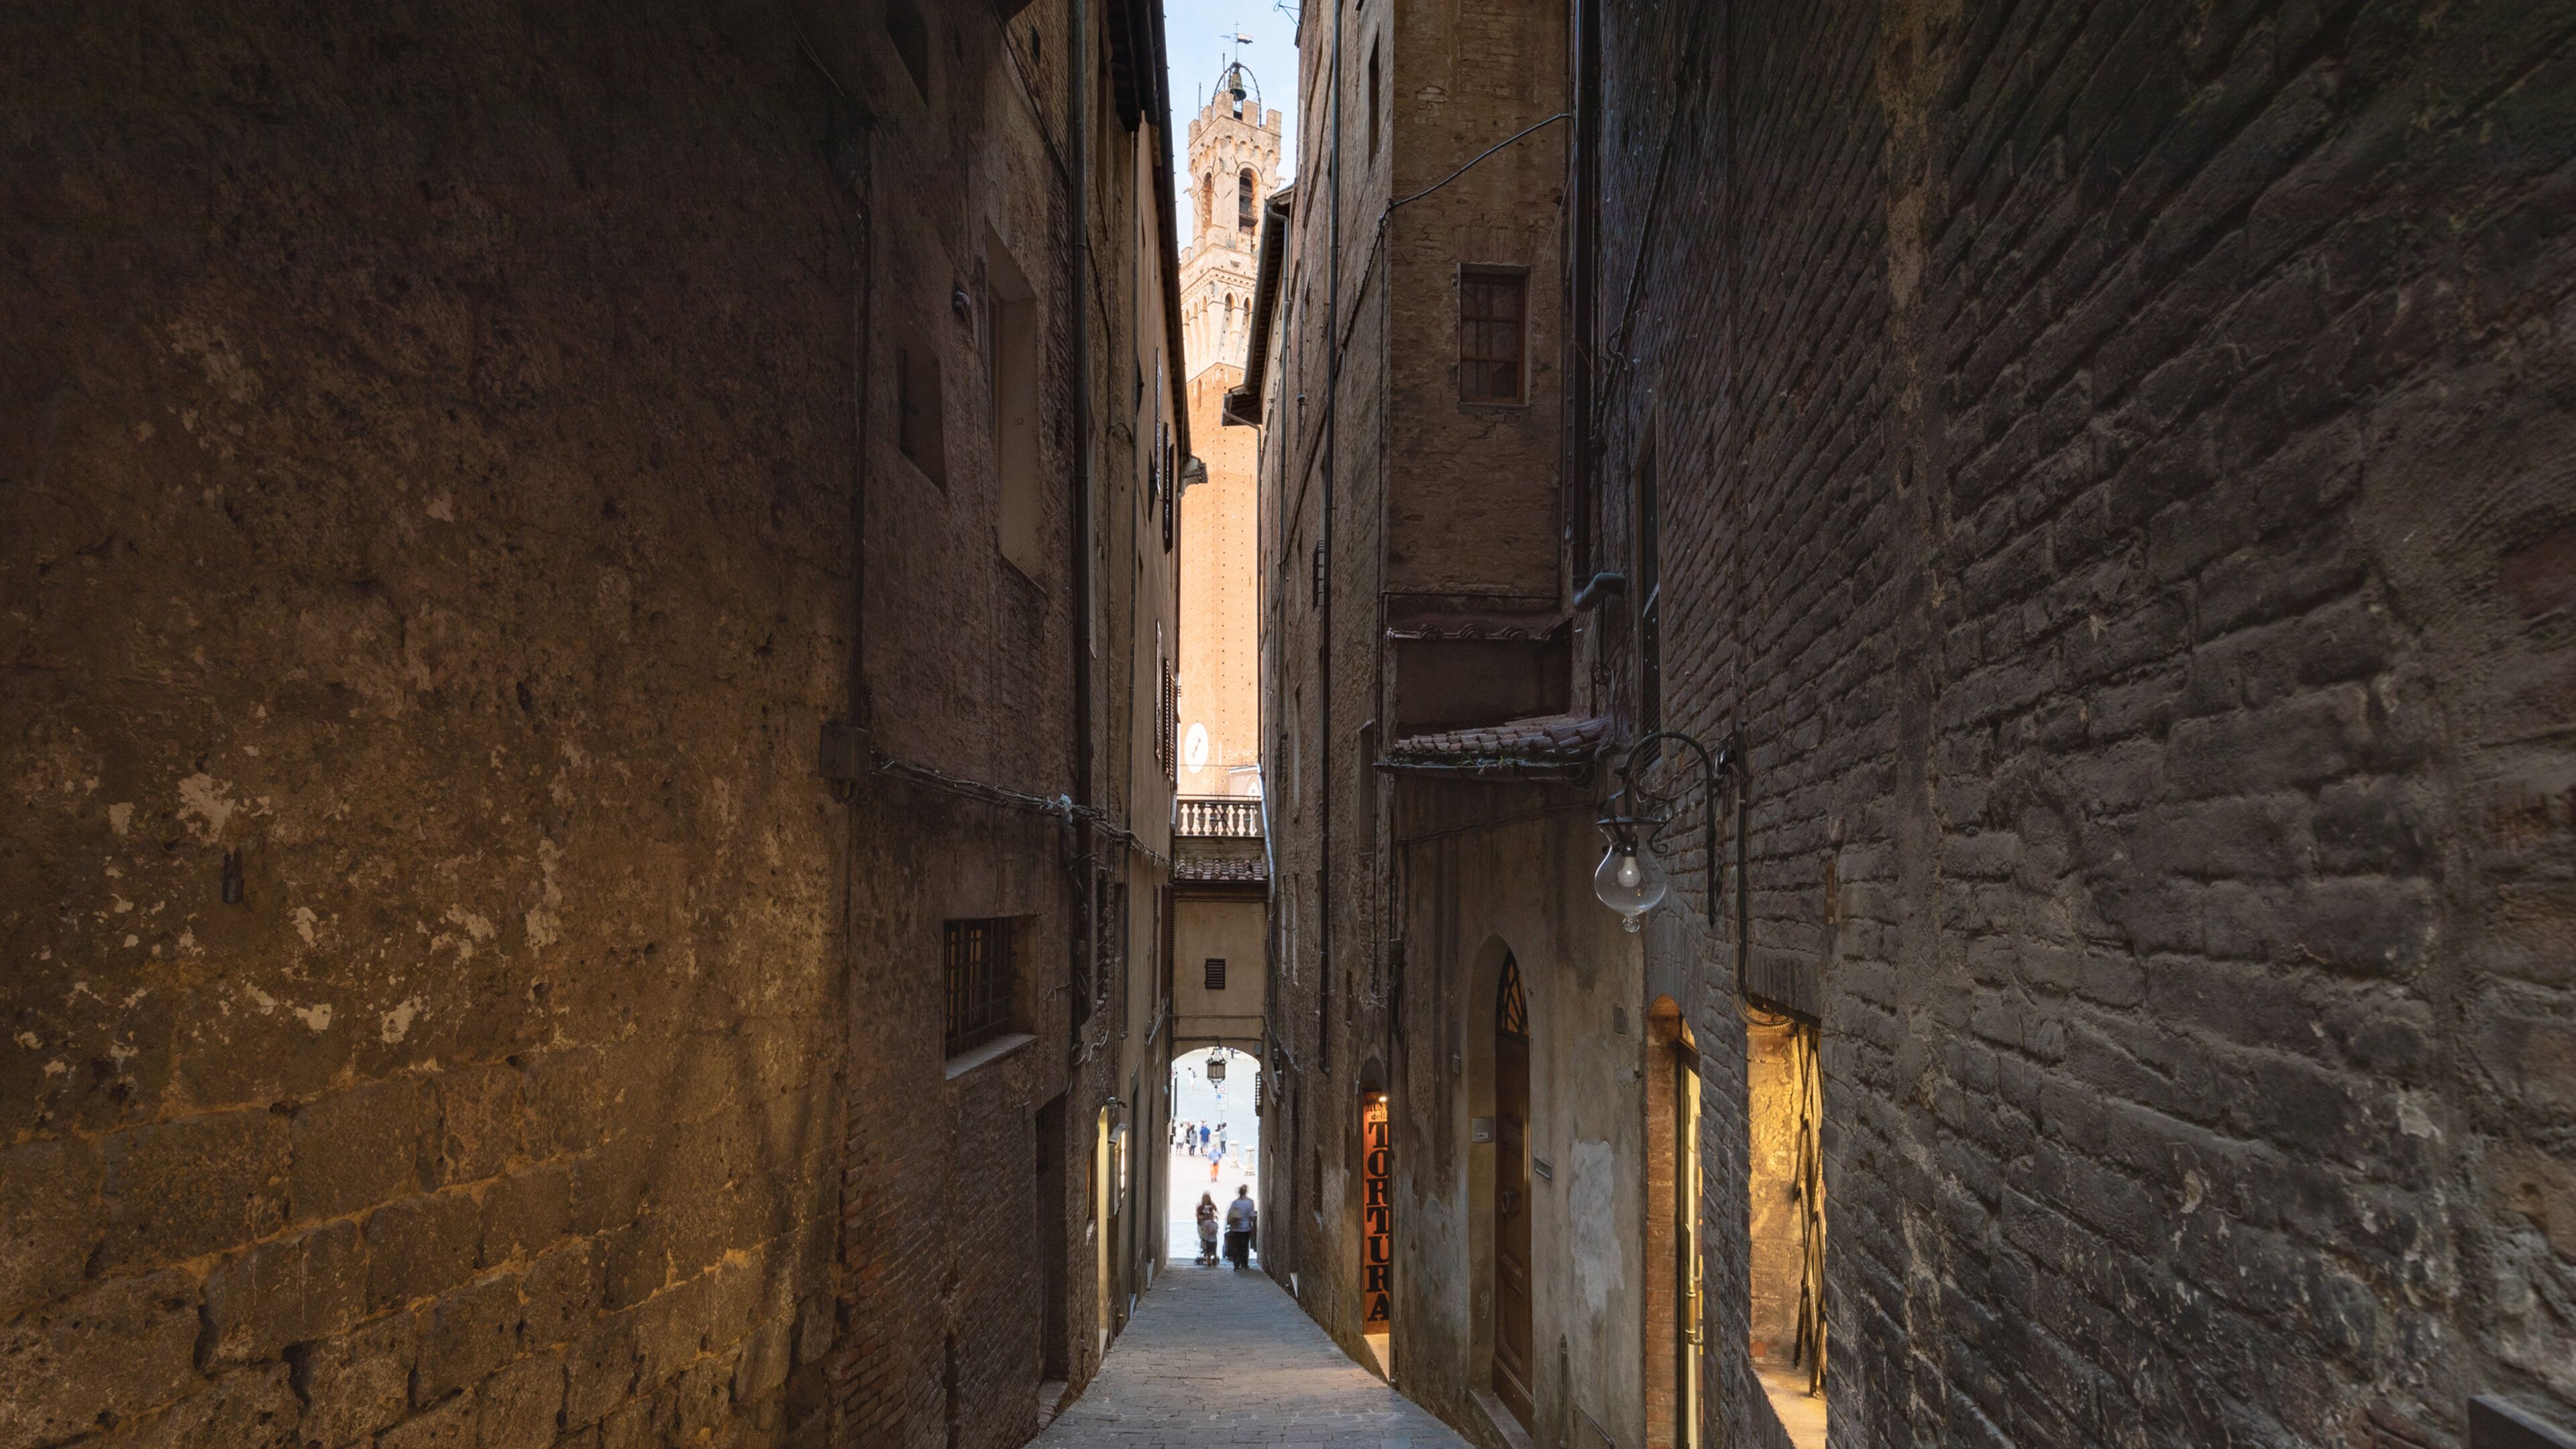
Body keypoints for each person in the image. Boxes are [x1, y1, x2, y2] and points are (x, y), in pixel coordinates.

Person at [1224, 1184, 1258, 1271]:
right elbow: (1252, 1217)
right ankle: (1244, 1264)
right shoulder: (1250, 1202)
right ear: (1246, 1192)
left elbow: (1229, 1214)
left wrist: (1227, 1225)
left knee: (1236, 1247)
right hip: (1246, 1229)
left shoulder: (1235, 1203)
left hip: (1235, 1229)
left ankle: (1236, 1265)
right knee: (1245, 1247)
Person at [1194, 1191, 1220, 1266]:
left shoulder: (1211, 1206)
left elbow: (1216, 1210)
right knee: (1204, 1239)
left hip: (1210, 1226)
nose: (1206, 1199)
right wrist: (1202, 1217)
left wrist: (1212, 1206)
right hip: (1202, 1226)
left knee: (1211, 1240)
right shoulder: (1200, 1207)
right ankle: (1207, 1254)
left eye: (1207, 1198)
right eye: (1205, 1198)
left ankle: (1211, 1254)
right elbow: (1198, 1216)